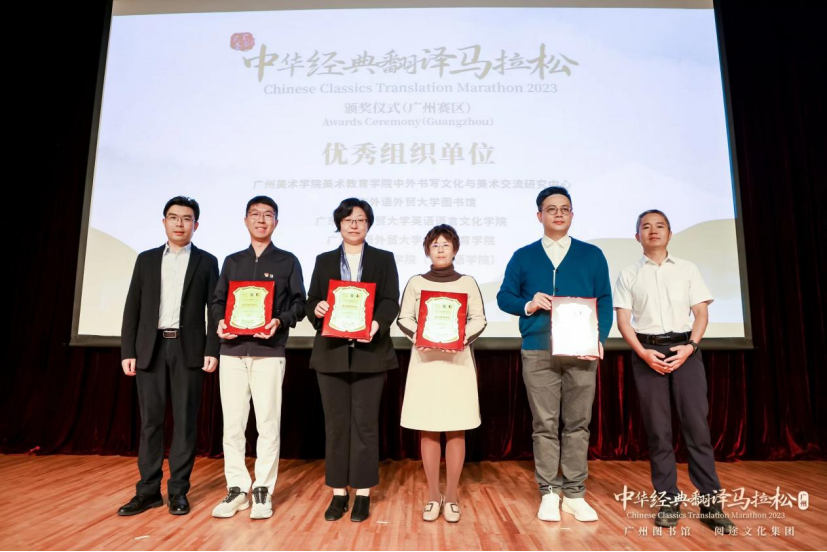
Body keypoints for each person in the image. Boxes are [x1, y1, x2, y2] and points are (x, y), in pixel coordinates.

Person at [614, 209, 735, 533]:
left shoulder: (688, 269)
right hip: (647, 352)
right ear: (637, 236)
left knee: (697, 429)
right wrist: (643, 353)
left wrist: (691, 346)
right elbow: (623, 321)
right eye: (646, 227)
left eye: (660, 226)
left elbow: (700, 313)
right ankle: (668, 502)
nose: (653, 231)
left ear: (670, 233)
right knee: (658, 432)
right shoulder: (628, 274)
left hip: (686, 351)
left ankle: (711, 505)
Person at [496, 186, 612, 523]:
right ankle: (548, 491)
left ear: (572, 214)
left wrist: (599, 338)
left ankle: (574, 493)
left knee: (578, 423)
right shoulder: (523, 256)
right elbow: (504, 297)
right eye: (551, 209)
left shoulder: (592, 255)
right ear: (539, 216)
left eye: (564, 208)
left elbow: (605, 300)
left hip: (582, 350)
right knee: (544, 424)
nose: (558, 214)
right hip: (538, 350)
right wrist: (529, 303)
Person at [118, 196, 219, 517]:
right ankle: (148, 491)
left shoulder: (207, 262)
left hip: (188, 350)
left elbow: (214, 310)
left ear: (196, 225)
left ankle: (178, 491)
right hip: (150, 349)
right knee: (151, 423)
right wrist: (128, 350)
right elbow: (133, 306)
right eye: (173, 217)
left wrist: (212, 349)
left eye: (186, 219)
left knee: (185, 423)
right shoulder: (146, 259)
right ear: (164, 222)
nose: (179, 223)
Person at [209, 195, 306, 520]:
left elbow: (300, 304)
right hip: (232, 352)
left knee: (267, 424)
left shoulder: (287, 261)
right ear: (245, 220)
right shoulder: (232, 261)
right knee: (233, 425)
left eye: (267, 215)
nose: (261, 220)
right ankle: (237, 489)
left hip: (269, 352)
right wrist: (220, 322)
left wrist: (279, 320)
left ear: (276, 222)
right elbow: (218, 302)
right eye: (255, 214)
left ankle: (263, 489)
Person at [305, 198, 400, 523]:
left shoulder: (383, 259)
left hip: (370, 354)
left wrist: (375, 325)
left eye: (360, 219)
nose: (354, 224)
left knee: (365, 426)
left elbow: (390, 301)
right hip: (331, 355)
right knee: (335, 427)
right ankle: (338, 493)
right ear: (339, 225)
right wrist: (317, 309)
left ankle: (362, 493)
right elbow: (312, 300)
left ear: (368, 224)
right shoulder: (324, 260)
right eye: (348, 220)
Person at [397, 224, 487, 523]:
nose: (440, 249)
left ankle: (451, 497)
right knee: (429, 427)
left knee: (456, 427)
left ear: (455, 249)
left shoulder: (468, 283)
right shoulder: (416, 283)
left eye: (445, 244)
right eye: (434, 244)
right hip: (425, 362)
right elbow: (404, 318)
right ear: (427, 250)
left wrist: (459, 339)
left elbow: (479, 319)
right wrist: (422, 337)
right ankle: (433, 496)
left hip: (457, 363)